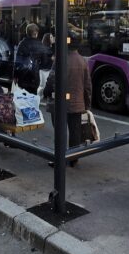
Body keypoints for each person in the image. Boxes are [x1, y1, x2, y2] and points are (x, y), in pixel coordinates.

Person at [43, 36, 92, 167]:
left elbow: (52, 79)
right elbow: (87, 85)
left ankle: (59, 158)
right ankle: (74, 158)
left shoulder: (60, 59)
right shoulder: (82, 61)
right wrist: (87, 104)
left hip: (59, 103)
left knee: (60, 132)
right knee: (75, 131)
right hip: (77, 104)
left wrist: (46, 92)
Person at [14, 22, 47, 94]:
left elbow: (17, 61)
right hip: (35, 75)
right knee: (33, 96)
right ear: (36, 33)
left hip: (23, 75)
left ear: (27, 33)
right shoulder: (40, 44)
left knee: (24, 97)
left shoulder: (22, 44)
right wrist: (37, 66)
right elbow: (44, 62)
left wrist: (15, 75)